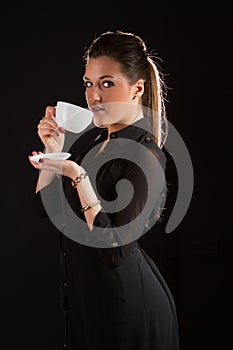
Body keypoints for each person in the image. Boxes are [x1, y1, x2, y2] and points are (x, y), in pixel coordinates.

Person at [28, 30, 180, 350]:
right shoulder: (93, 147)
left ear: (137, 88)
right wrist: (52, 148)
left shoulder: (146, 155)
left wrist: (78, 175)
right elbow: (50, 210)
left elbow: (114, 250)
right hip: (90, 304)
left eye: (107, 83)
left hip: (126, 309)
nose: (93, 96)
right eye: (89, 83)